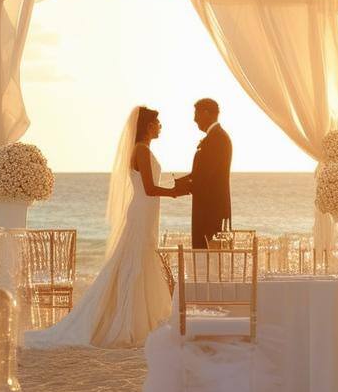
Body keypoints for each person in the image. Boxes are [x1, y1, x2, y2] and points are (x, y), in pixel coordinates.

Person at [27, 106, 180, 348]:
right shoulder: (140, 149)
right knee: (134, 263)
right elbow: (150, 188)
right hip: (142, 211)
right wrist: (175, 192)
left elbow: (150, 185)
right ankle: (129, 322)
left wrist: (177, 186)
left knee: (141, 260)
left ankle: (142, 318)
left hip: (147, 211)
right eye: (157, 123)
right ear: (148, 126)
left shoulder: (143, 149)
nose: (160, 127)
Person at [173, 98, 233, 248]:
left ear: (206, 113)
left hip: (211, 211)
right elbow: (200, 174)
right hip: (207, 208)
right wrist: (179, 183)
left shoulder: (217, 138)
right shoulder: (215, 137)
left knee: (208, 259)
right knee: (204, 258)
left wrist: (177, 189)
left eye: (196, 114)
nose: (194, 119)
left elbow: (205, 177)